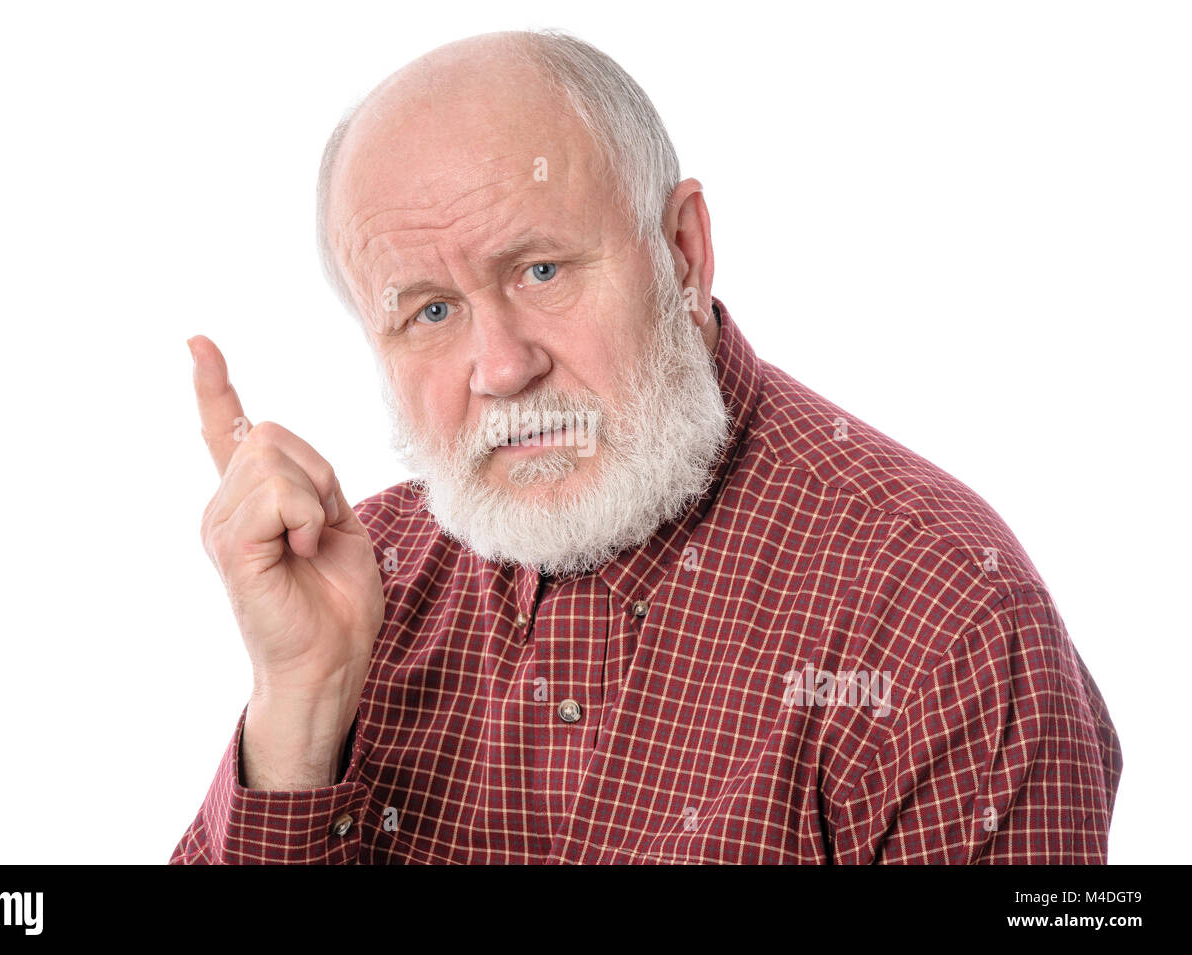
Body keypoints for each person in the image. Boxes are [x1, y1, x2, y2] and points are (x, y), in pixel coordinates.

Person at [170, 29, 1121, 864]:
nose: (500, 368)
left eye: (540, 269)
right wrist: (299, 711)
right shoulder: (362, 583)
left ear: (681, 253)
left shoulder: (943, 613)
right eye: (430, 310)